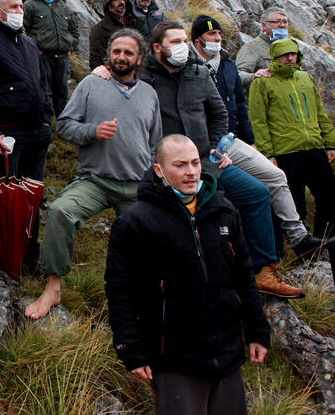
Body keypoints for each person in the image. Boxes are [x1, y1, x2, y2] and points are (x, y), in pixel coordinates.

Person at [130, 21, 303, 298]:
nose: (182, 47)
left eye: (184, 40)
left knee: (257, 194)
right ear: (157, 48)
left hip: (204, 161)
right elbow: (116, 79)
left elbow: (220, 113)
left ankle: (263, 270)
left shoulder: (199, 73)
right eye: (175, 42)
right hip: (165, 166)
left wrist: (214, 149)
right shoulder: (141, 77)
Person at [105, 134, 269, 414]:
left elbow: (244, 277)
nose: (191, 172)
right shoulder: (134, 223)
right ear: (159, 170)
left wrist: (257, 330)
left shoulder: (224, 211)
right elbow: (120, 291)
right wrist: (130, 348)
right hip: (174, 362)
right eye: (180, 165)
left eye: (195, 163)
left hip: (228, 356)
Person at [25, 29, 162, 320]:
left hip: (137, 184)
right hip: (95, 180)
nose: (121, 57)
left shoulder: (150, 93)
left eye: (128, 52)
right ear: (108, 54)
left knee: (152, 235)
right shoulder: (90, 84)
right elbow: (64, 125)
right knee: (60, 211)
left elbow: (154, 142)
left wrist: (152, 177)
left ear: (139, 59)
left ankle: (140, 296)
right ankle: (53, 286)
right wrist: (93, 132)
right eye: (116, 51)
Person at [190, 15, 329, 259]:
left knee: (275, 178)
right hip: (197, 145)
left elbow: (238, 105)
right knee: (232, 197)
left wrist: (250, 139)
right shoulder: (187, 66)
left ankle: (298, 239)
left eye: (220, 34)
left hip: (229, 139)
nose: (218, 39)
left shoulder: (227, 63)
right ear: (197, 39)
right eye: (212, 34)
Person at [0, 0, 53, 265]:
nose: (20, 11)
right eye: (14, 7)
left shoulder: (29, 43)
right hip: (9, 133)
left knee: (33, 195)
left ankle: (30, 255)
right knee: (10, 198)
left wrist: (46, 118)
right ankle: (9, 256)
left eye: (21, 6)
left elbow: (42, 83)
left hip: (37, 131)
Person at [249, 37, 335, 239]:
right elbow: (259, 122)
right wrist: (268, 155)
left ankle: (326, 243)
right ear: (275, 57)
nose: (290, 58)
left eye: (294, 54)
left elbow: (321, 113)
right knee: (296, 205)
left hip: (315, 148)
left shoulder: (306, 78)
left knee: (330, 200)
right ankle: (301, 246)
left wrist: (330, 144)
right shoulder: (262, 83)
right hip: (287, 153)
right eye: (285, 55)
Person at [23, 0, 79, 117]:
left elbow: (74, 29)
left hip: (62, 57)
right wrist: (35, 48)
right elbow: (24, 29)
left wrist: (71, 45)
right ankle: (44, 121)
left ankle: (62, 122)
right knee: (43, 90)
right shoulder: (30, 5)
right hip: (43, 56)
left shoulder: (63, 6)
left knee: (62, 92)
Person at [236, 6, 290, 92]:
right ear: (264, 25)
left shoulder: (290, 46)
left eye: (285, 22)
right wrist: (253, 76)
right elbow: (238, 74)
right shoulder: (251, 47)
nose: (282, 25)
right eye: (277, 22)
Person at [87, 0, 143, 70]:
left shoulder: (134, 24)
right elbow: (95, 59)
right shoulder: (99, 29)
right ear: (109, 4)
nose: (122, 2)